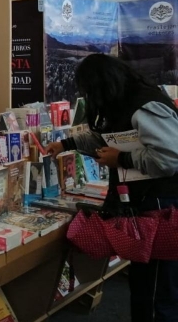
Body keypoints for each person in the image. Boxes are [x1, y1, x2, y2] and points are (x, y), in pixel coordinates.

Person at [46, 53, 178, 321]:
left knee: (157, 288)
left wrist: (121, 159)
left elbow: (170, 158)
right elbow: (107, 135)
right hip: (149, 205)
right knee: (145, 283)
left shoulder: (144, 107)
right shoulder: (126, 101)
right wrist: (65, 145)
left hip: (161, 207)